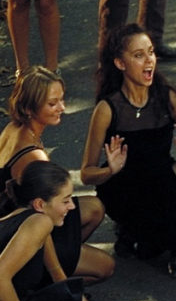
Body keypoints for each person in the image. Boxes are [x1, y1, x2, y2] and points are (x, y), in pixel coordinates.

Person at [80, 23, 176, 278]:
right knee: (144, 245)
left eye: (151, 52)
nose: (149, 61)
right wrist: (110, 171)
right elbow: (86, 174)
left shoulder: (171, 98)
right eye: (138, 55)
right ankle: (129, 228)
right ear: (120, 63)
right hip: (122, 184)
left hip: (160, 180)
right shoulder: (106, 109)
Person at [0, 67, 114, 285]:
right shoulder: (34, 157)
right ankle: (41, 279)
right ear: (29, 108)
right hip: (23, 229)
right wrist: (56, 271)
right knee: (106, 267)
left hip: (23, 212)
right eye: (52, 104)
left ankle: (68, 255)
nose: (62, 108)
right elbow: (40, 218)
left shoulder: (14, 127)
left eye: (62, 99)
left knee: (95, 207)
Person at [0, 161, 106, 301]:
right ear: (40, 204)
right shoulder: (39, 222)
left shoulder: (33, 219)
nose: (72, 206)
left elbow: (57, 274)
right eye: (65, 201)